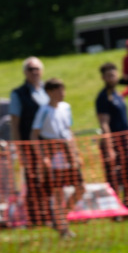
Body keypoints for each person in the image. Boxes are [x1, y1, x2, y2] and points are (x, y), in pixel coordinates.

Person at [30, 78, 85, 239]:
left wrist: (76, 152)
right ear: (50, 92)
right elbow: (34, 134)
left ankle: (61, 218)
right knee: (58, 192)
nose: (62, 93)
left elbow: (69, 131)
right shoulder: (44, 110)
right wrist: (42, 157)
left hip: (68, 152)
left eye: (63, 89)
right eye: (58, 90)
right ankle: (63, 228)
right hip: (54, 154)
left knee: (80, 187)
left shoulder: (66, 108)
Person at [95, 62, 128, 217]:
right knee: (114, 178)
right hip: (114, 143)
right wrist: (109, 147)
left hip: (125, 142)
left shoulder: (118, 95)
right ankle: (116, 211)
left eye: (114, 74)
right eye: (108, 75)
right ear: (103, 78)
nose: (112, 77)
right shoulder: (103, 97)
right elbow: (104, 123)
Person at [9, 56, 48, 226]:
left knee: (49, 180)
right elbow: (15, 124)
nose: (34, 72)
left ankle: (50, 215)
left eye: (37, 69)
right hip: (28, 144)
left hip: (48, 143)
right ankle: (35, 218)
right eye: (30, 69)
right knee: (33, 181)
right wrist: (20, 149)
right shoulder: (18, 94)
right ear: (25, 72)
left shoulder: (47, 90)